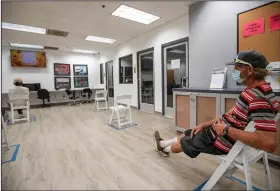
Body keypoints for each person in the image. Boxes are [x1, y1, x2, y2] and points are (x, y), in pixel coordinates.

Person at [153, 50, 279, 157]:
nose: (234, 72)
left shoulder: (259, 99)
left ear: (249, 70)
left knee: (185, 141)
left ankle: (164, 149)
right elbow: (230, 114)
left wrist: (226, 130)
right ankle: (162, 144)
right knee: (191, 132)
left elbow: (269, 143)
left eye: (237, 68)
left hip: (220, 139)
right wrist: (204, 124)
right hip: (218, 132)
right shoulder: (254, 90)